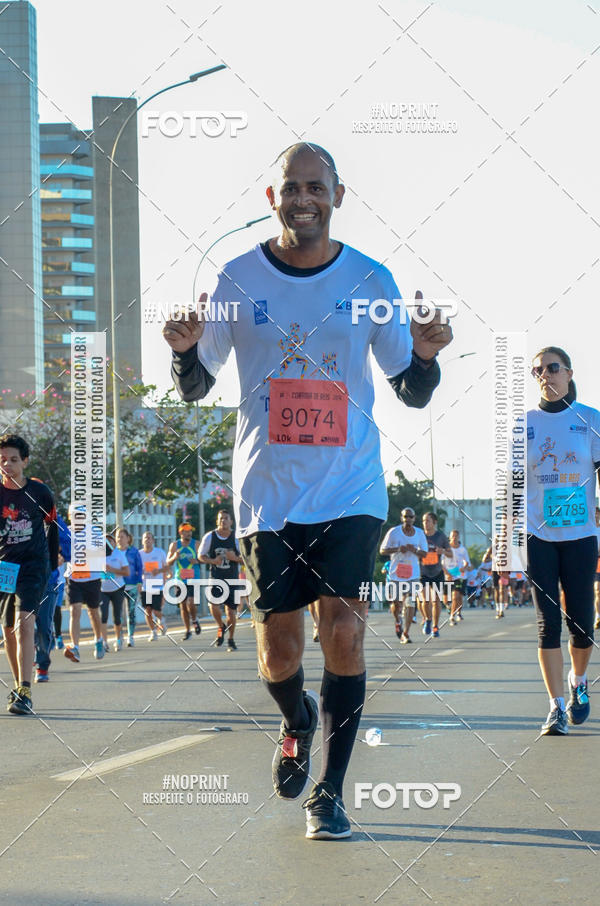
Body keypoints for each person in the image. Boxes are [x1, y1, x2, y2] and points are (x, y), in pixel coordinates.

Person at [163, 142, 451, 838]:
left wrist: (425, 356)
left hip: (350, 485)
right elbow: (199, 383)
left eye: (315, 188)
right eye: (291, 188)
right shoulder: (236, 278)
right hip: (267, 492)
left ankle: (330, 790)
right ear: (273, 198)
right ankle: (294, 718)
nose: (303, 199)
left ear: (338, 196)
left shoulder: (371, 279)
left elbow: (409, 394)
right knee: (280, 652)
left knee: (345, 630)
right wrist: (181, 351)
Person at [527, 346, 600, 735]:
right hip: (538, 535)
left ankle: (578, 681)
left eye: (552, 368)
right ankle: (555, 707)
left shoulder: (589, 420)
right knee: (547, 623)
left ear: (568, 372)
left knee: (582, 624)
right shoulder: (525, 424)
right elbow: (512, 486)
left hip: (581, 535)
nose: (545, 375)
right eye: (537, 370)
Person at [0, 435, 58, 714]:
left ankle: (24, 689)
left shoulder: (39, 492)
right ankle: (17, 685)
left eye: (13, 460)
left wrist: (54, 565)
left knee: (25, 622)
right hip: (4, 568)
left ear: (24, 461)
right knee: (8, 629)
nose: (7, 465)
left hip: (34, 566)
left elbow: (53, 525)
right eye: (2, 460)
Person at [63, 503, 106, 663]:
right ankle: (75, 647)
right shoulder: (65, 532)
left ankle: (98, 640)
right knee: (75, 610)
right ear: (70, 517)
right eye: (75, 516)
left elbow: (102, 553)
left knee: (93, 612)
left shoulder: (94, 532)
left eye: (80, 516)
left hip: (92, 578)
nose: (78, 519)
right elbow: (60, 551)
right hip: (74, 578)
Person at [379, 507, 427, 643]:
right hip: (396, 573)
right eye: (405, 517)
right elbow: (382, 550)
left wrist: (415, 550)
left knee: (410, 601)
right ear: (402, 518)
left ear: (414, 519)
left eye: (410, 517)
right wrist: (399, 549)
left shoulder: (419, 533)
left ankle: (406, 633)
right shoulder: (394, 532)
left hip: (413, 574)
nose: (408, 519)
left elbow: (425, 553)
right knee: (396, 602)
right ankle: (397, 619)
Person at [198, 509, 243, 651]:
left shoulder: (236, 537)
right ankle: (220, 625)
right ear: (217, 521)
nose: (223, 520)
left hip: (232, 579)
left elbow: (246, 559)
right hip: (216, 577)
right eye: (220, 518)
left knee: (231, 612)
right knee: (213, 606)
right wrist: (213, 561)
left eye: (226, 518)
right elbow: (201, 556)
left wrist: (234, 558)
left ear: (231, 521)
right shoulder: (210, 537)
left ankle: (230, 639)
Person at [166, 523, 202, 639]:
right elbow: (168, 562)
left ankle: (195, 619)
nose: (189, 533)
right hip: (180, 579)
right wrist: (174, 557)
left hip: (193, 578)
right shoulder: (175, 545)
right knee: (182, 605)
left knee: (191, 602)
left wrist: (197, 561)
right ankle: (187, 630)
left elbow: (205, 558)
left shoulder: (196, 544)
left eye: (190, 531)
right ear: (180, 532)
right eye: (186, 531)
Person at [420, 512, 452, 638]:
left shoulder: (441, 536)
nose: (425, 523)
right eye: (423, 521)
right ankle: (427, 619)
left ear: (434, 522)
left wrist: (442, 551)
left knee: (436, 600)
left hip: (437, 572)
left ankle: (435, 626)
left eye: (427, 521)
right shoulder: (419, 535)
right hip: (422, 572)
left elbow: (450, 554)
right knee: (425, 599)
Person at [100, 534, 130, 652]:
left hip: (117, 588)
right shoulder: (98, 555)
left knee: (117, 616)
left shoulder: (119, 554)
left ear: (113, 543)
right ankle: (104, 641)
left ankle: (118, 640)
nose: (107, 543)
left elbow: (127, 572)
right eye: (105, 541)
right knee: (103, 616)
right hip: (102, 589)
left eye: (109, 541)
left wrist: (112, 570)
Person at [116, 527, 143, 647]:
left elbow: (139, 567)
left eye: (122, 536)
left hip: (131, 585)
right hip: (117, 585)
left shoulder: (134, 551)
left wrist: (139, 582)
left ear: (128, 538)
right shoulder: (113, 551)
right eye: (118, 537)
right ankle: (119, 636)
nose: (119, 539)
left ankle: (130, 636)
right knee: (118, 612)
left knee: (131, 611)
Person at [138, 531, 168, 640]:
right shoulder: (139, 554)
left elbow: (167, 567)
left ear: (153, 540)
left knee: (156, 610)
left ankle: (162, 620)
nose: (147, 540)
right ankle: (153, 631)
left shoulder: (160, 553)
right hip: (145, 586)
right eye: (145, 538)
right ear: (142, 541)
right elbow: (136, 570)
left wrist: (158, 571)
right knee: (148, 611)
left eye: (149, 538)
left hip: (157, 585)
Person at [442, 529, 471, 625]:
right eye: (452, 536)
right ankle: (450, 607)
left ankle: (452, 616)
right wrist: (447, 574)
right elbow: (441, 563)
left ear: (459, 537)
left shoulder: (462, 549)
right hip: (447, 575)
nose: (454, 538)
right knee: (445, 600)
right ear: (449, 537)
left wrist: (464, 568)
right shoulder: (446, 548)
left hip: (458, 576)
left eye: (456, 536)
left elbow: (467, 562)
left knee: (457, 596)